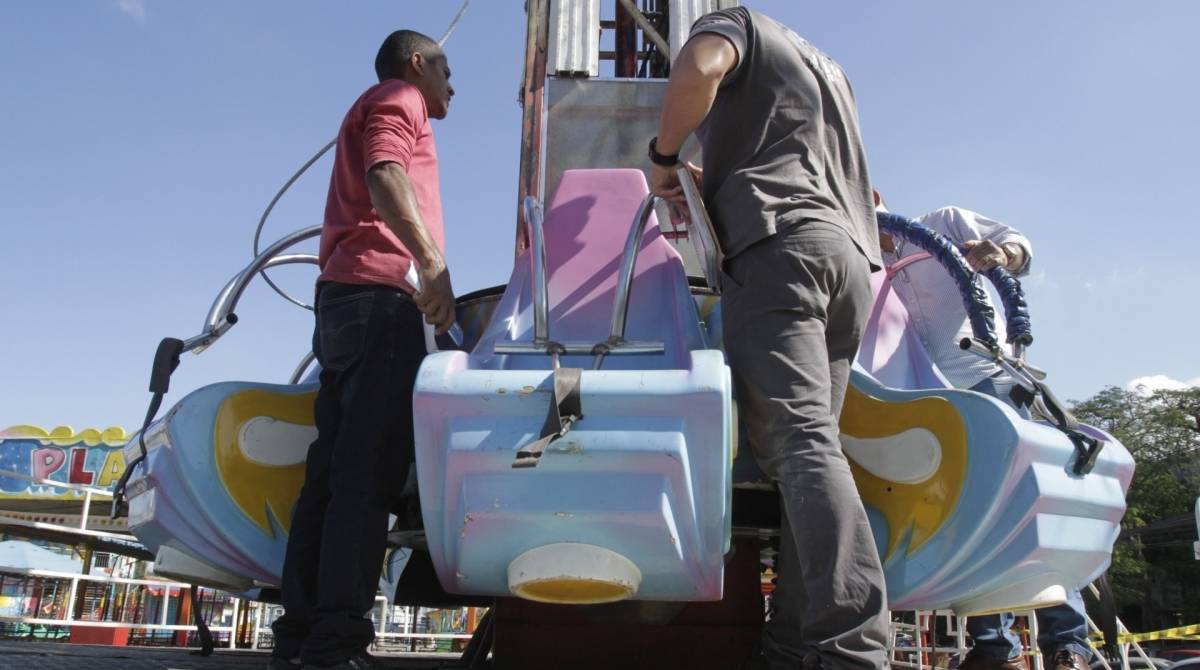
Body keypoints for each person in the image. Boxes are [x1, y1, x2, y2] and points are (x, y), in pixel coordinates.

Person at [649, 8, 888, 670]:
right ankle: (789, 648)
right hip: (847, 260)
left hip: (779, 249)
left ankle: (852, 649)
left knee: (802, 447)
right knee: (810, 455)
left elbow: (699, 68)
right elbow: (829, 171)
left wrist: (663, 158)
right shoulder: (828, 67)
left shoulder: (738, 25)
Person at [269, 29, 455, 670]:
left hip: (344, 300)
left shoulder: (377, 102)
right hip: (379, 299)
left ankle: (299, 637)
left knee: (329, 477)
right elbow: (385, 171)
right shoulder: (401, 97)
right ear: (418, 63)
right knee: (366, 478)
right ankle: (336, 643)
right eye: (446, 70)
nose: (452, 86)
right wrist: (431, 264)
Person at [874, 192, 1091, 670]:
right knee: (968, 519)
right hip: (934, 399)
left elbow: (1017, 245)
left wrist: (1001, 254)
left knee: (1028, 505)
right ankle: (995, 648)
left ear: (870, 196)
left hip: (988, 378)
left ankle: (1068, 645)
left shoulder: (944, 222)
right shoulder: (864, 262)